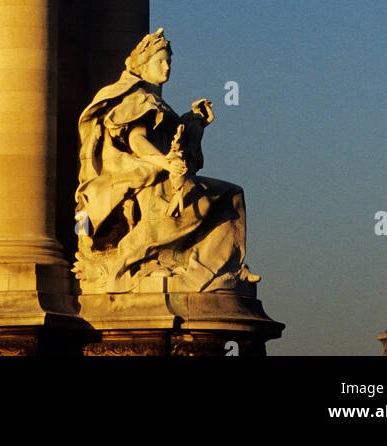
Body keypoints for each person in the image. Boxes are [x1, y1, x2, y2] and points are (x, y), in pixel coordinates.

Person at [75, 29, 259, 290]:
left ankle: (220, 267)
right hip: (147, 178)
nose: (166, 67)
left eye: (169, 61)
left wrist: (195, 123)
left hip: (167, 174)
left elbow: (174, 142)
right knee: (227, 196)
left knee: (232, 195)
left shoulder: (156, 102)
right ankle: (191, 267)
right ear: (142, 64)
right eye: (160, 61)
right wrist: (165, 162)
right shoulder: (137, 99)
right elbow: (137, 141)